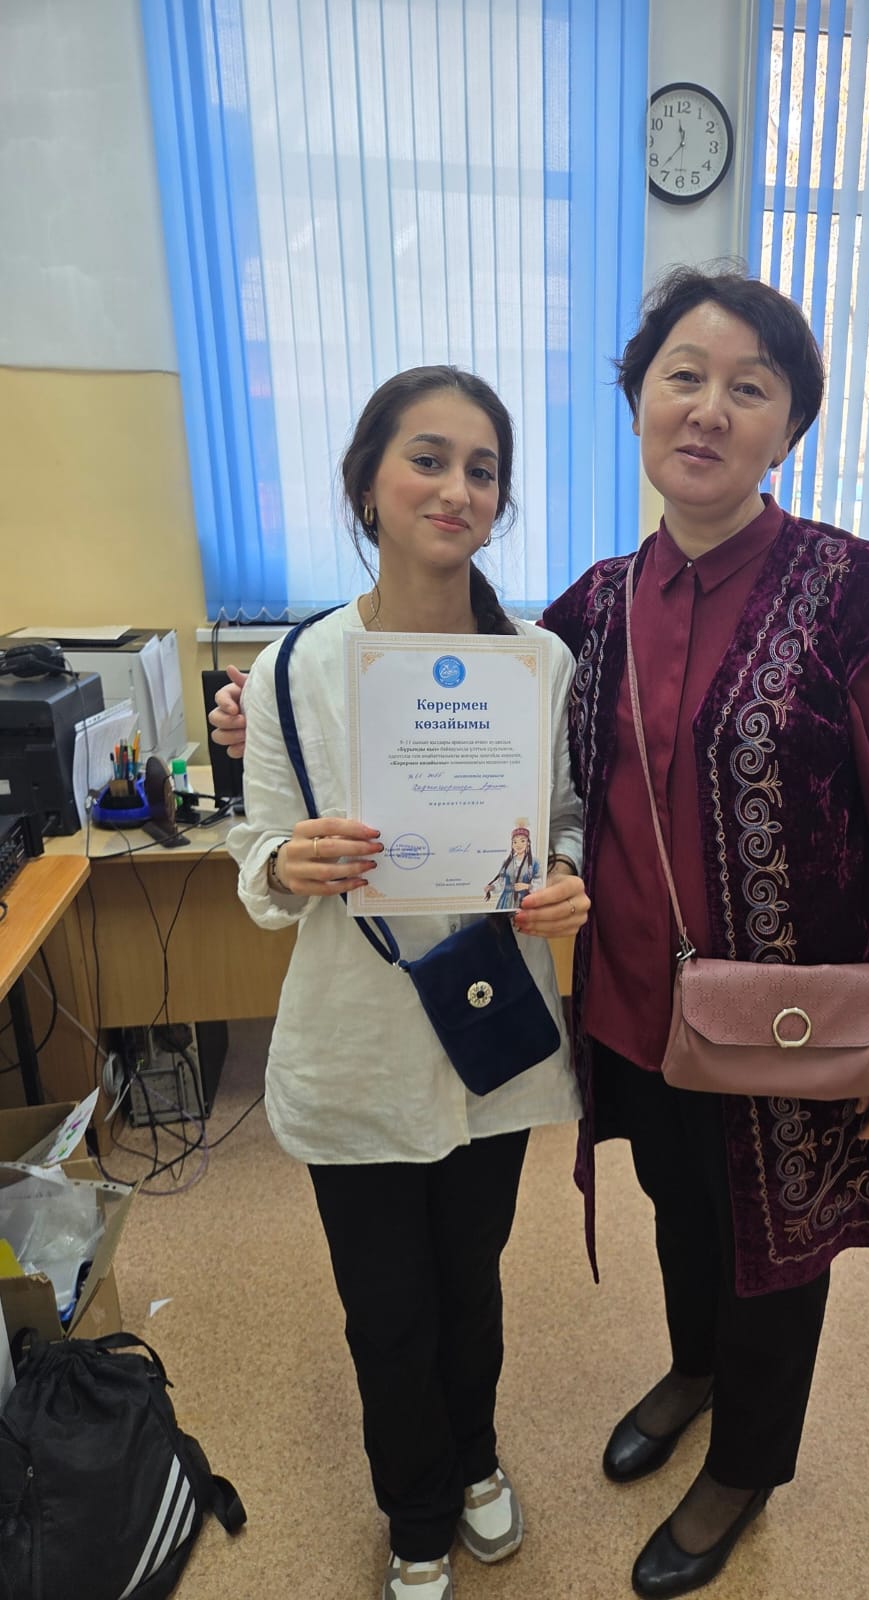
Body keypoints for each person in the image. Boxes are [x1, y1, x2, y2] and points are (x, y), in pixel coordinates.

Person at [213, 268, 869, 1599]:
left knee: (775, 1236)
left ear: (789, 425)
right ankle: (692, 1369)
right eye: (683, 376)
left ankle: (746, 1462)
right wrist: (257, 710)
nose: (709, 409)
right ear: (638, 403)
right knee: (682, 1206)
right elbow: (483, 719)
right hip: (632, 1007)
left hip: (788, 1019)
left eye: (748, 387)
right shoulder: (593, 608)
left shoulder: (852, 591)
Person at [224, 365, 590, 1600]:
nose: (456, 488)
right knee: (386, 1307)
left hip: (491, 1032)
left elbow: (566, 820)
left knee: (470, 1282)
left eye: (482, 469)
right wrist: (288, 859)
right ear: (367, 484)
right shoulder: (293, 668)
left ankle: (476, 1457)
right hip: (358, 1041)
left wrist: (568, 878)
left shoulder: (538, 662)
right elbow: (255, 849)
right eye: (427, 459)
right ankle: (418, 1512)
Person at [483, 822, 540, 907]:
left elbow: (540, 883)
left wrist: (527, 886)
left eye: (522, 841)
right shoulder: (507, 862)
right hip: (506, 901)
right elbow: (501, 883)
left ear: (528, 843)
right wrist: (491, 887)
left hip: (525, 899)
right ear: (512, 844)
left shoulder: (534, 862)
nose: (518, 845)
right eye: (515, 842)